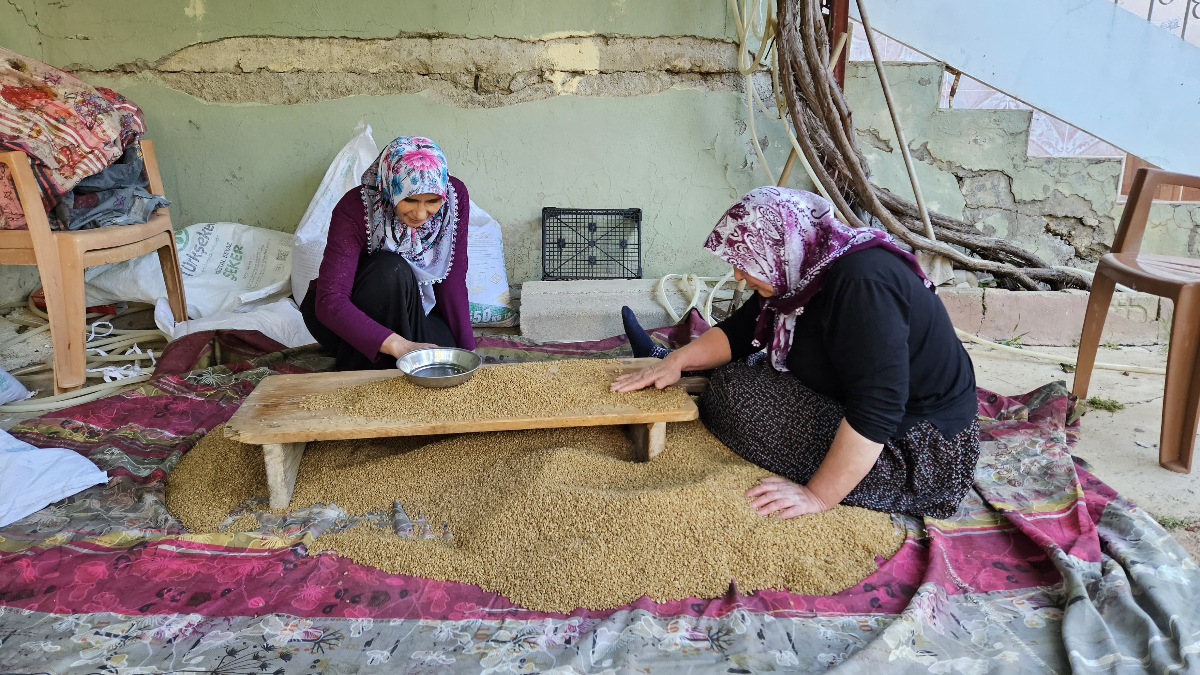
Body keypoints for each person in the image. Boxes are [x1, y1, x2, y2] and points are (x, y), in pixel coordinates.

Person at [613, 187, 979, 520]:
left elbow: (879, 407)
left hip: (915, 449)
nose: (739, 275)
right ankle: (682, 369)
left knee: (732, 397)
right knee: (739, 373)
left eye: (746, 261)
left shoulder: (862, 285)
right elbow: (743, 330)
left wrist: (817, 496)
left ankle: (701, 384)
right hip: (862, 404)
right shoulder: (804, 266)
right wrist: (675, 361)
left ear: (780, 245)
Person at [301, 136, 475, 370]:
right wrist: (400, 346)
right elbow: (330, 301)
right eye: (410, 200)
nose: (421, 214)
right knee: (390, 268)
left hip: (411, 305)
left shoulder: (454, 198)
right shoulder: (354, 208)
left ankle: (379, 357)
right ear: (390, 188)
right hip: (350, 313)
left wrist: (469, 352)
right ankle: (372, 357)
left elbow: (452, 278)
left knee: (445, 357)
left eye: (432, 201)